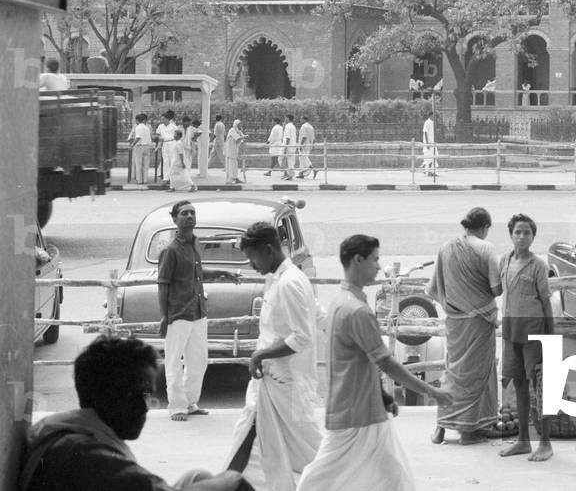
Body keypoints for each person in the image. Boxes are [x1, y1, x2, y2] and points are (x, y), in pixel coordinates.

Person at [294, 234, 454, 491]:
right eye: (375, 260)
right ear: (358, 260)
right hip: (354, 414)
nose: (379, 266)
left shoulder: (341, 302)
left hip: (364, 410)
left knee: (393, 476)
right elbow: (386, 363)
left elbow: (359, 361)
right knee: (322, 476)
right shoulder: (356, 311)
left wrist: (382, 396)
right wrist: (432, 391)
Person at [20, 335, 253, 491]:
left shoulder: (69, 434)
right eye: (137, 394)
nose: (145, 406)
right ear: (105, 394)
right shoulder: (84, 455)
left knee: (197, 477)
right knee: (231, 483)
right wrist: (232, 481)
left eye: (148, 395)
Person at [225, 222, 324, 491]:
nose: (251, 264)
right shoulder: (281, 278)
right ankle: (225, 484)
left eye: (253, 257)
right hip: (269, 382)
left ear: (268, 250)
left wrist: (260, 355)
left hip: (286, 383)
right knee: (246, 435)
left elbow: (301, 337)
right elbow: (316, 315)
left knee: (309, 453)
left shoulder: (290, 282)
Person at [426, 207, 502, 446]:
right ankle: (470, 430)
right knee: (478, 375)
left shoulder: (446, 247)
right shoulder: (486, 249)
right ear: (485, 228)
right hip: (479, 322)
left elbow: (433, 289)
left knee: (453, 373)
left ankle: (441, 428)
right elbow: (496, 289)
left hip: (455, 322)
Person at [498, 213, 553, 463]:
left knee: (541, 387)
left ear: (533, 236)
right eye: (518, 232)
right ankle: (522, 440)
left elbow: (546, 302)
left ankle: (545, 443)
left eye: (527, 233)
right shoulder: (505, 261)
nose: (522, 237)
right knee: (519, 384)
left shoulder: (538, 265)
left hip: (534, 332)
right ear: (511, 234)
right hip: (511, 332)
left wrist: (550, 336)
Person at [158, 200, 209, 421]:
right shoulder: (170, 250)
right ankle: (177, 406)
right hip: (178, 313)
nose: (189, 216)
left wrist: (222, 274)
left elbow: (197, 273)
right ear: (175, 219)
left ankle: (190, 402)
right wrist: (164, 316)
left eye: (192, 213)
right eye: (184, 213)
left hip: (198, 312)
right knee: (174, 362)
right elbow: (162, 284)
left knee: (199, 360)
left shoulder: (195, 243)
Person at [129, 113, 154, 186]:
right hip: (147, 146)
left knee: (138, 163)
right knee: (146, 164)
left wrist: (132, 145)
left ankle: (139, 180)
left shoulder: (138, 127)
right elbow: (150, 138)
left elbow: (138, 137)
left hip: (139, 147)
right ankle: (145, 179)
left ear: (137, 120)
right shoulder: (147, 128)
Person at [155, 111, 178, 184]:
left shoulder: (173, 126)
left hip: (172, 143)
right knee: (165, 161)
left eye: (164, 119)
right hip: (164, 144)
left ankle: (172, 178)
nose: (162, 120)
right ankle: (166, 178)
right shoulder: (160, 126)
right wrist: (159, 138)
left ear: (168, 119)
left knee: (172, 160)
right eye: (162, 119)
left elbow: (178, 135)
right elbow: (157, 134)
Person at [225, 119, 246, 184]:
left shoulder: (238, 131)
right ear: (236, 125)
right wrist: (243, 136)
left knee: (234, 165)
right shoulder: (232, 130)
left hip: (234, 151)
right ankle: (231, 180)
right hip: (230, 151)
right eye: (239, 125)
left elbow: (241, 140)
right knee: (231, 165)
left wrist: (242, 136)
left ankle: (235, 178)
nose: (240, 126)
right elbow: (238, 138)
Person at [297, 115, 317, 179]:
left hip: (304, 144)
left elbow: (304, 136)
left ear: (304, 119)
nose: (300, 120)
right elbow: (313, 137)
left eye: (301, 119)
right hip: (309, 144)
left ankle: (312, 168)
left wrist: (301, 145)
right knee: (303, 158)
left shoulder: (303, 126)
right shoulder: (311, 127)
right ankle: (301, 173)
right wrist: (313, 145)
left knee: (303, 157)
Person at [283, 114, 298, 179]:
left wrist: (286, 147)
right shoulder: (293, 126)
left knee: (289, 161)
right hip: (292, 145)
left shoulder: (288, 126)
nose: (284, 119)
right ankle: (287, 174)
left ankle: (290, 175)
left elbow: (288, 137)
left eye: (285, 118)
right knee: (290, 160)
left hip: (289, 145)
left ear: (288, 118)